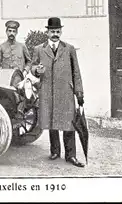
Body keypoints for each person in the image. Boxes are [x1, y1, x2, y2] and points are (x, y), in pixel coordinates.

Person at [31, 17, 85, 168]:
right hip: (47, 91)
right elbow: (32, 67)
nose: (55, 34)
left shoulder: (69, 49)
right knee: (51, 121)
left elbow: (76, 73)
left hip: (65, 92)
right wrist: (37, 70)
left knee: (69, 124)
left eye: (57, 31)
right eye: (52, 31)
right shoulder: (39, 49)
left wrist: (79, 93)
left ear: (61, 32)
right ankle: (54, 151)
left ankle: (71, 155)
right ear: (47, 32)